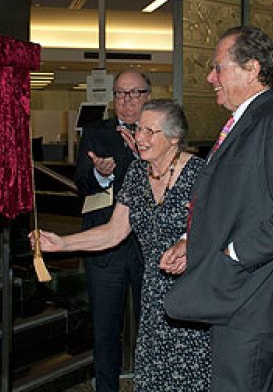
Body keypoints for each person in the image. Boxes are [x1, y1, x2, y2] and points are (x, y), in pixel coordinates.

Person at [31, 99, 211, 391]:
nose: (139, 138)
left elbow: (224, 228)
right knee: (154, 378)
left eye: (150, 131)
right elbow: (114, 231)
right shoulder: (138, 174)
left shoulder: (201, 174)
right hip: (153, 294)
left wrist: (189, 243)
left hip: (193, 292)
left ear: (175, 137)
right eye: (139, 129)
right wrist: (63, 243)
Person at [161, 25, 273, 392]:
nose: (210, 77)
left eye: (218, 67)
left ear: (252, 68)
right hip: (238, 296)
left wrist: (234, 255)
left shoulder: (268, 120)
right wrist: (190, 241)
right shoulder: (246, 120)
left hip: (251, 300)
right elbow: (233, 201)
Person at [74, 70, 150, 391]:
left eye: (133, 94)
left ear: (147, 96)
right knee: (105, 329)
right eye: (120, 94)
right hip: (107, 244)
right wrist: (100, 174)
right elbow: (82, 183)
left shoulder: (161, 130)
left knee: (153, 325)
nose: (126, 101)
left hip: (149, 244)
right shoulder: (95, 132)